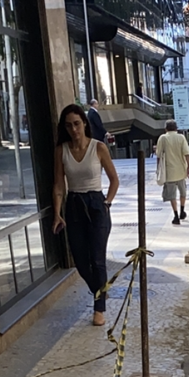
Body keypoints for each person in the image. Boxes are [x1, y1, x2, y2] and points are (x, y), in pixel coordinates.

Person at [52, 104, 120, 327]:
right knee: (80, 261)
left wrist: (107, 202)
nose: (74, 129)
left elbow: (114, 179)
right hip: (74, 205)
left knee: (97, 259)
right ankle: (100, 289)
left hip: (96, 204)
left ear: (84, 124)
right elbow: (59, 185)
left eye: (77, 124)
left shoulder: (98, 148)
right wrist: (57, 213)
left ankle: (99, 308)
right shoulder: (61, 150)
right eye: (69, 125)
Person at [156, 120, 189, 225]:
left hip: (169, 171)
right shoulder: (181, 137)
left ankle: (175, 215)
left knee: (172, 195)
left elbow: (158, 155)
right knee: (183, 192)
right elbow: (187, 153)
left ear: (166, 128)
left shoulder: (162, 138)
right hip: (181, 170)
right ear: (176, 128)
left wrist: (158, 168)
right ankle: (182, 210)